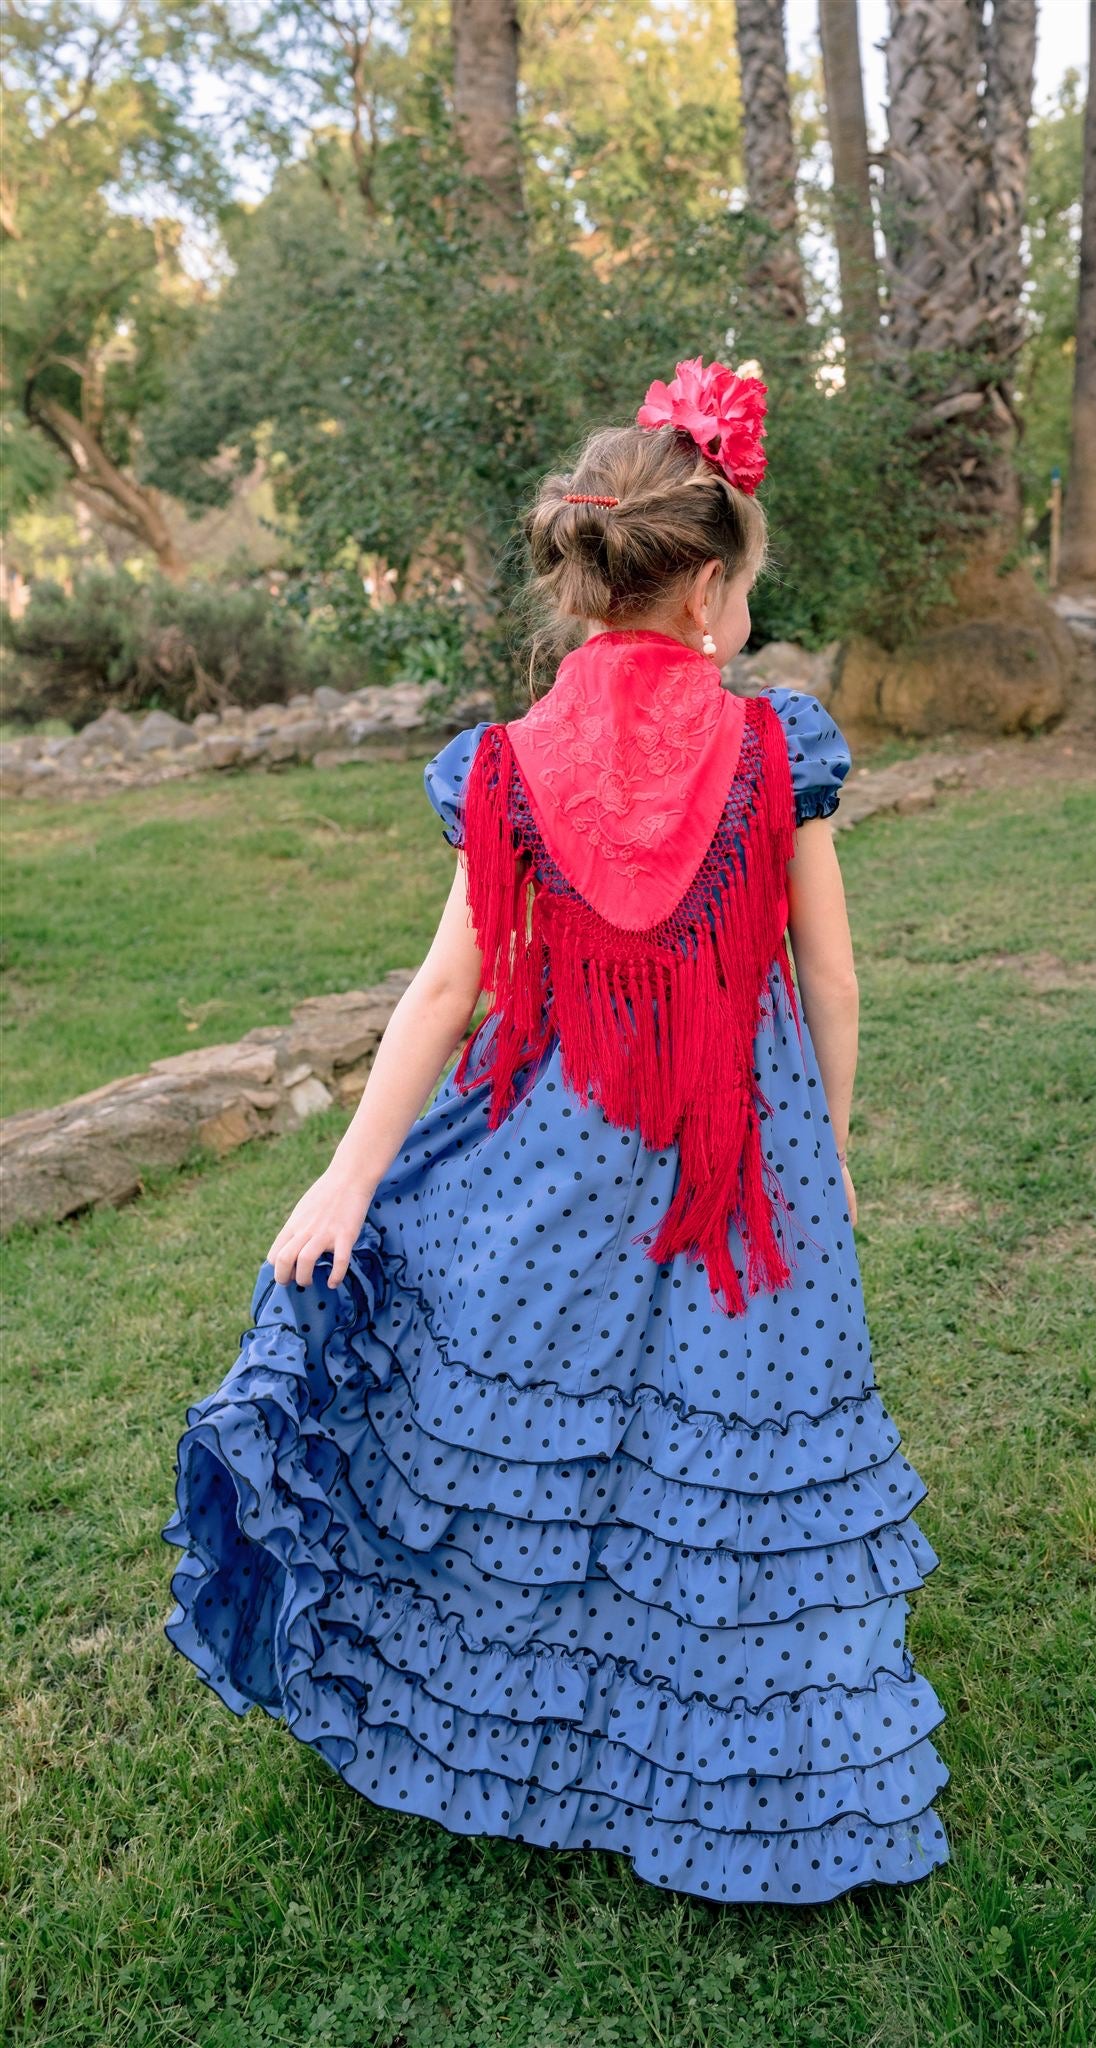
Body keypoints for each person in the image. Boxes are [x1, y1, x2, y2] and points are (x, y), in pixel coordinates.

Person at [161, 356, 950, 1905]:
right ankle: (759, 1772)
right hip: (746, 1158)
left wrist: (347, 1175)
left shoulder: (509, 765)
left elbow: (448, 989)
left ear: (582, 582)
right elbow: (830, 974)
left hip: (557, 1134)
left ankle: (537, 1738)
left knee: (554, 1435)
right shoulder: (776, 743)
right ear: (708, 585)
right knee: (726, 1461)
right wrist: (829, 1146)